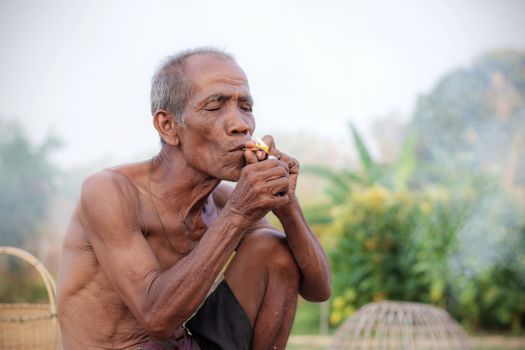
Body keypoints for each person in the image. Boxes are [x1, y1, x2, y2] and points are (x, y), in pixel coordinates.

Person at [57, 47, 332, 350]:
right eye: (215, 107)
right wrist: (238, 215)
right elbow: (156, 318)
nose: (241, 124)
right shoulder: (110, 190)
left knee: (274, 251)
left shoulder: (224, 201)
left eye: (246, 106)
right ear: (168, 126)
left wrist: (286, 203)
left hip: (185, 346)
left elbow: (318, 290)